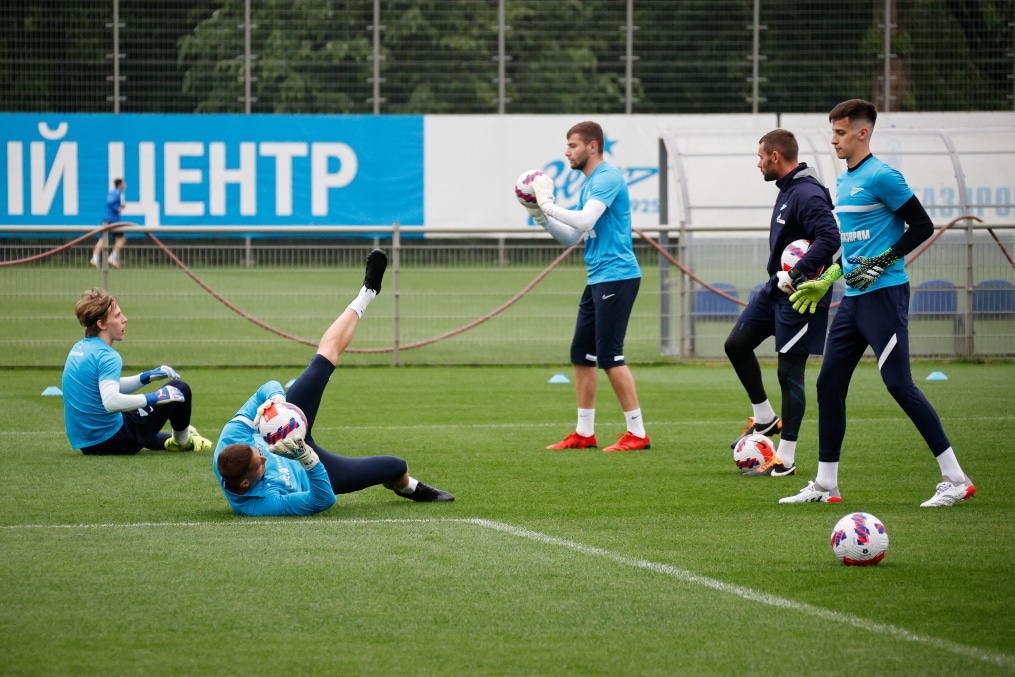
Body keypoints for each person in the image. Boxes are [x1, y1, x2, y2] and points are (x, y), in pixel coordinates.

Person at [781, 98, 974, 507]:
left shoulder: (883, 176)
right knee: (829, 384)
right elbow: (851, 251)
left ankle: (956, 479)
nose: (833, 139)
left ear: (862, 133)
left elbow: (922, 225)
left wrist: (883, 261)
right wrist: (826, 279)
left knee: (898, 384)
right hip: (853, 299)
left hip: (884, 296)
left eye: (840, 132)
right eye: (833, 131)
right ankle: (826, 485)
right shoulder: (845, 181)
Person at [213, 250, 455, 517]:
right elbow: (323, 500)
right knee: (395, 466)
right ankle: (406, 487)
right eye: (260, 461)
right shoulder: (261, 504)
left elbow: (267, 386)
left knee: (323, 359)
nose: (263, 456)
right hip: (314, 467)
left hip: (287, 427)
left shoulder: (231, 439)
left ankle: (367, 293)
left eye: (257, 450)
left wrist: (277, 401)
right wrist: (306, 457)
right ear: (246, 483)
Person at [523, 120, 649, 452]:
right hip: (598, 277)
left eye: (573, 145)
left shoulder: (606, 177)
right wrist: (540, 216)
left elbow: (585, 220)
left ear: (592, 146)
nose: (567, 152)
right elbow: (573, 235)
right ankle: (584, 433)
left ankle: (637, 434)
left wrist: (549, 205)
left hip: (618, 276)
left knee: (610, 357)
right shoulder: (590, 183)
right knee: (582, 355)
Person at [724, 129, 839, 476]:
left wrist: (799, 272)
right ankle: (765, 418)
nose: (758, 164)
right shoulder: (788, 189)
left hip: (800, 295)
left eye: (760, 157)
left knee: (789, 373)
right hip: (774, 289)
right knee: (736, 344)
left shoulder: (806, 192)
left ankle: (785, 458)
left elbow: (830, 237)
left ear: (776, 157)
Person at [62, 287, 212, 455]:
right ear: (102, 324)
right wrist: (155, 397)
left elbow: (107, 386)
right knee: (179, 387)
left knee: (134, 416)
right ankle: (182, 441)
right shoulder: (108, 356)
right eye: (118, 316)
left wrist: (145, 377)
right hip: (113, 440)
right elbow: (111, 402)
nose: (124, 319)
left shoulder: (79, 348)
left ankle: (171, 441)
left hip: (88, 443)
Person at [91, 178, 127, 269]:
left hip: (106, 219)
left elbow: (109, 202)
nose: (125, 185)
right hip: (113, 220)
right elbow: (112, 204)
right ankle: (112, 257)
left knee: (103, 239)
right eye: (123, 183)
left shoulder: (111, 192)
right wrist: (118, 208)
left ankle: (95, 258)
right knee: (121, 239)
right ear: (120, 184)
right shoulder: (119, 193)